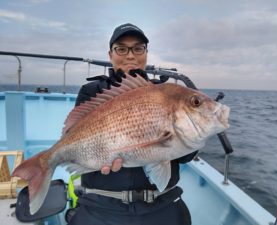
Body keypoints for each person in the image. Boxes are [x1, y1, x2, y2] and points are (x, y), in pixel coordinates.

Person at [68, 23, 198, 225]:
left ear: (146, 53)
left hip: (162, 203)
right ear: (110, 54)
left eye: (138, 48)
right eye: (121, 48)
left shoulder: (167, 94)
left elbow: (185, 157)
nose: (130, 55)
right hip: (102, 205)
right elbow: (74, 136)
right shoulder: (92, 91)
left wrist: (194, 131)